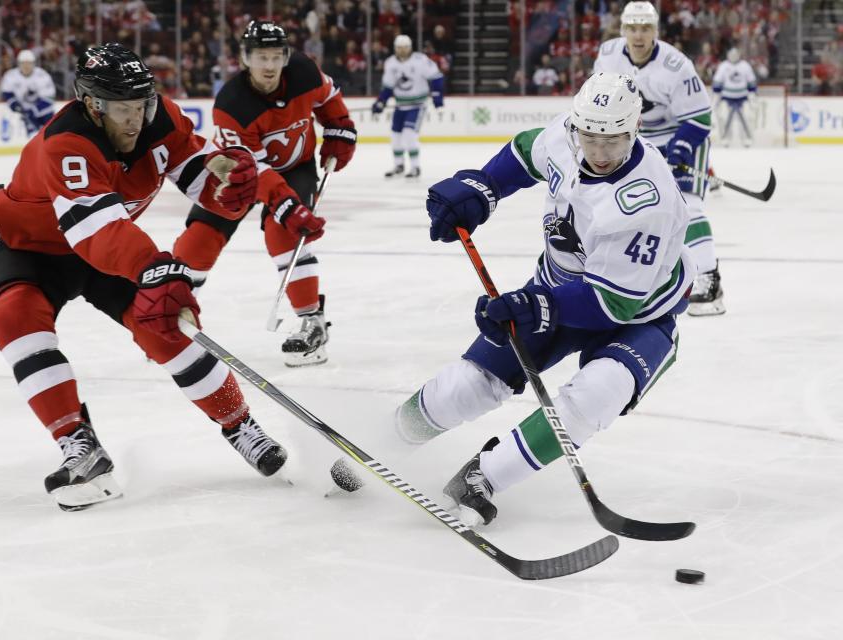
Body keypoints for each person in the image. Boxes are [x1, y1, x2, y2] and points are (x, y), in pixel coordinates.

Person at [0, 43, 287, 512]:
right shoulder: (66, 143)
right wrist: (153, 267)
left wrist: (227, 184)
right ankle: (79, 444)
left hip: (111, 243)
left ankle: (239, 422)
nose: (135, 119)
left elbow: (195, 172)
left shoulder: (159, 118)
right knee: (15, 319)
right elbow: (96, 231)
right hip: (37, 252)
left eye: (141, 105)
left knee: (165, 324)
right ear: (92, 105)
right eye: (123, 109)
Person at [394, 72, 696, 527]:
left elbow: (614, 305)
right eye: (589, 137)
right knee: (469, 384)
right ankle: (385, 442)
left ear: (634, 130)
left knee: (597, 395)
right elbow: (525, 150)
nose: (597, 152)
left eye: (612, 142)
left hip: (640, 315)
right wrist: (483, 188)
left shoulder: (646, 201)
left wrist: (534, 308)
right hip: (559, 287)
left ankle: (483, 477)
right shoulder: (570, 134)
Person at [174, 21, 357, 367]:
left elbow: (329, 97)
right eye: (261, 57)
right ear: (245, 58)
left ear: (286, 56)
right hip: (236, 173)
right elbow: (252, 171)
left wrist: (339, 127)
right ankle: (173, 311)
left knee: (285, 231)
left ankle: (311, 321)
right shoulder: (232, 103)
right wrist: (287, 205)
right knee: (201, 237)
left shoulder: (303, 72)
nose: (269, 66)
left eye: (276, 56)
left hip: (296, 167)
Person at [593, 1, 723, 316]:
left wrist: (678, 149)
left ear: (656, 31)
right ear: (623, 30)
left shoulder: (676, 65)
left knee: (688, 205)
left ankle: (709, 278)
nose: (639, 35)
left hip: (682, 135)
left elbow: (701, 118)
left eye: (646, 28)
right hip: (637, 139)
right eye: (633, 28)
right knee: (625, 203)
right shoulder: (608, 54)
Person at [371, 34, 444, 179]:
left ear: (410, 47)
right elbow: (388, 87)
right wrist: (381, 101)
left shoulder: (420, 60)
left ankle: (415, 167)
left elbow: (436, 77)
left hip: (417, 105)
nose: (402, 50)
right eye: (399, 48)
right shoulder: (390, 63)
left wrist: (437, 97)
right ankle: (399, 165)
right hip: (400, 105)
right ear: (395, 48)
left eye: (405, 47)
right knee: (396, 136)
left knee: (409, 134)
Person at [0, 50, 56, 135]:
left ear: (33, 63)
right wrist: (15, 105)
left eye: (29, 63)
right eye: (23, 63)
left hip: (43, 113)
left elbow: (49, 99)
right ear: (19, 64)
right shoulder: (10, 76)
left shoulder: (43, 76)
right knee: (31, 138)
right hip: (23, 112)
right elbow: (7, 94)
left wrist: (33, 111)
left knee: (50, 135)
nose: (26, 66)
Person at [712, 47, 758, 148]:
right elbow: (717, 83)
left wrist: (752, 96)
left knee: (747, 118)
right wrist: (716, 98)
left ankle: (747, 139)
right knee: (724, 117)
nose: (733, 57)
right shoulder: (723, 66)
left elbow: (751, 82)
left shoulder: (745, 66)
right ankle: (725, 139)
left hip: (743, 97)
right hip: (727, 97)